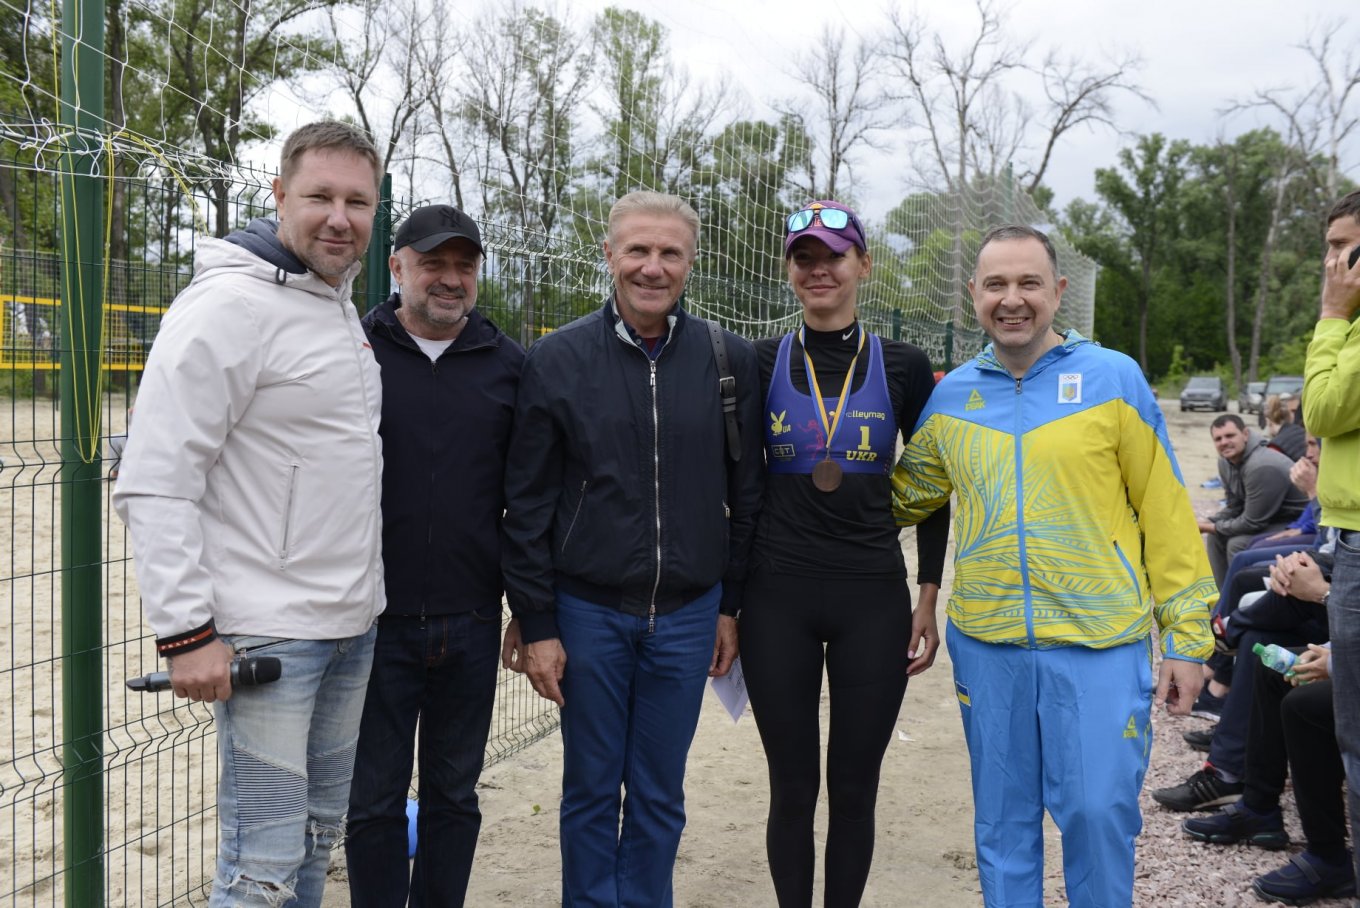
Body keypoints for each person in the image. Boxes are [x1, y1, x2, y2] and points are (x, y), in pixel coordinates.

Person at [891, 224, 1216, 907]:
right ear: (973, 295)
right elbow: (897, 501)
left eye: (1029, 283)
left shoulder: (1112, 378)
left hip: (1100, 642)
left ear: (1057, 292)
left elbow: (1165, 513)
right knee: (1004, 829)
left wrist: (1188, 639)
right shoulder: (951, 399)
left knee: (1098, 817)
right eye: (997, 285)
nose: (1014, 300)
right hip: (989, 644)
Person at [112, 121, 385, 907]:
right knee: (259, 865)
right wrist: (187, 633)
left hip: (349, 627)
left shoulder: (335, 308)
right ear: (278, 197)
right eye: (320, 197)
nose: (339, 217)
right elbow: (155, 479)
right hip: (271, 636)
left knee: (310, 840)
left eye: (357, 201)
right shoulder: (228, 306)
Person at [499, 190, 764, 907]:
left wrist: (729, 606)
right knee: (589, 787)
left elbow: (749, 500)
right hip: (588, 612)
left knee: (658, 790)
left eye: (669, 252)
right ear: (609, 255)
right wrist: (539, 621)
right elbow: (525, 506)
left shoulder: (729, 360)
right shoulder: (555, 360)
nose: (653, 266)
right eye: (638, 250)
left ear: (691, 262)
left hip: (688, 615)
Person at [741, 200, 950, 907]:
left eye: (834, 255)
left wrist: (927, 596)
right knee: (792, 786)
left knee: (856, 787)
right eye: (805, 257)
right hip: (778, 595)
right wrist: (729, 604)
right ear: (788, 272)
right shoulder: (760, 358)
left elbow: (933, 489)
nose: (819, 268)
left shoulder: (905, 365)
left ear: (863, 265)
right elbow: (739, 488)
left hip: (872, 596)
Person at [344, 204, 524, 907]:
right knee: (374, 802)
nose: (450, 279)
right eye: (433, 263)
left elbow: (528, 499)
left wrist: (526, 611)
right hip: (371, 621)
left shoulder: (508, 365)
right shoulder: (354, 350)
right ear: (397, 267)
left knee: (454, 796)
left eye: (464, 265)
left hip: (472, 621)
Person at [1303, 187, 1360, 893]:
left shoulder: (1344, 320)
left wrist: (1331, 317)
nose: (1333, 267)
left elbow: (1323, 407)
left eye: (1344, 250)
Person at [1198, 413, 1309, 588]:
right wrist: (1209, 522)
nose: (1224, 442)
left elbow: (1252, 523)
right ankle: (1221, 601)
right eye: (1218, 439)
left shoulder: (1262, 465)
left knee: (1237, 543)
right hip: (1269, 517)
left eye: (1230, 435)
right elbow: (1234, 506)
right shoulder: (1226, 462)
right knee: (1215, 537)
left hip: (1295, 522)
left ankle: (1237, 603)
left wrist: (1208, 527)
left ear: (1245, 434)